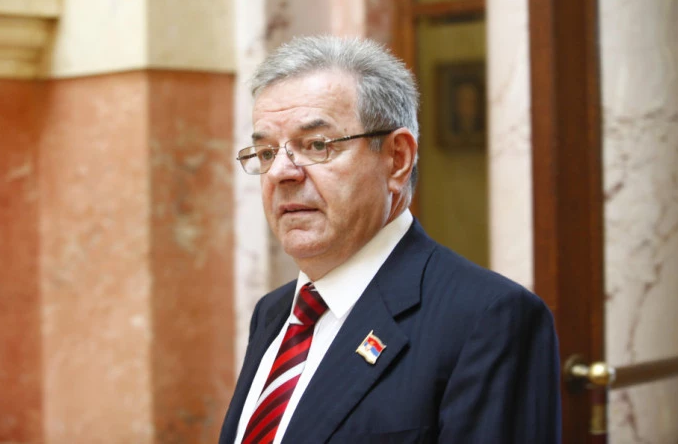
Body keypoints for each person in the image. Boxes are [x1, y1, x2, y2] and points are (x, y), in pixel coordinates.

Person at [219, 36, 561, 444]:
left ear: (397, 158)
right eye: (266, 152)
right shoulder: (274, 313)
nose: (280, 173)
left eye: (316, 145)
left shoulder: (487, 319)